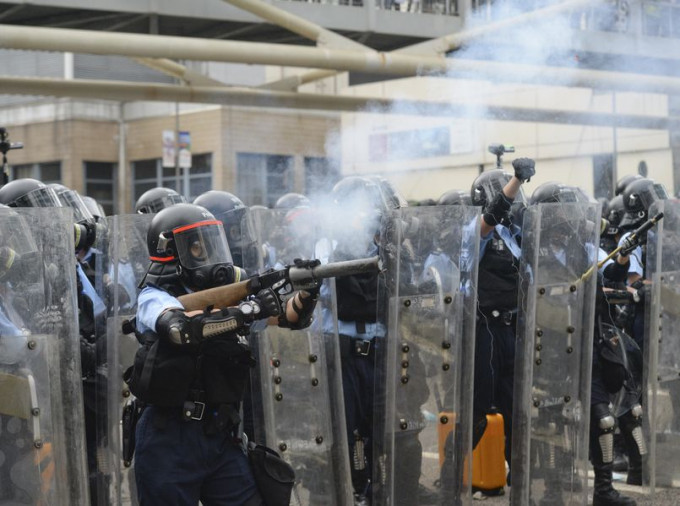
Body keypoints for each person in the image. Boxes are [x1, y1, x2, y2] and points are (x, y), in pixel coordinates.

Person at [127, 203, 317, 506]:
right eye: (198, 247)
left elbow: (290, 318)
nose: (209, 253)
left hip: (219, 433)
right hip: (168, 437)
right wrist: (247, 311)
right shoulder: (153, 297)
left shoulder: (230, 293)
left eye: (211, 243)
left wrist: (307, 292)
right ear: (172, 252)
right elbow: (180, 329)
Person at [470, 159, 533, 488]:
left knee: (516, 410)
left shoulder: (515, 236)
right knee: (480, 411)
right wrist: (516, 181)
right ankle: (459, 476)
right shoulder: (475, 232)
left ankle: (518, 480)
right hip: (486, 333)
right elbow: (487, 221)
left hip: (514, 330)